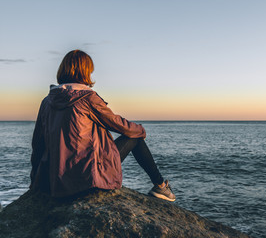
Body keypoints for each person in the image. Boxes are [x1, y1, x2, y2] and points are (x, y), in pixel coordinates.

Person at [29, 49, 175, 202]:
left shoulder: (47, 101)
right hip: (86, 178)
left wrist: (36, 181)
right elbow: (118, 124)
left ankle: (160, 186)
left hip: (56, 180)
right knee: (135, 137)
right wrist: (141, 130)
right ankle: (160, 186)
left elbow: (38, 144)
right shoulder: (87, 98)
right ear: (85, 72)